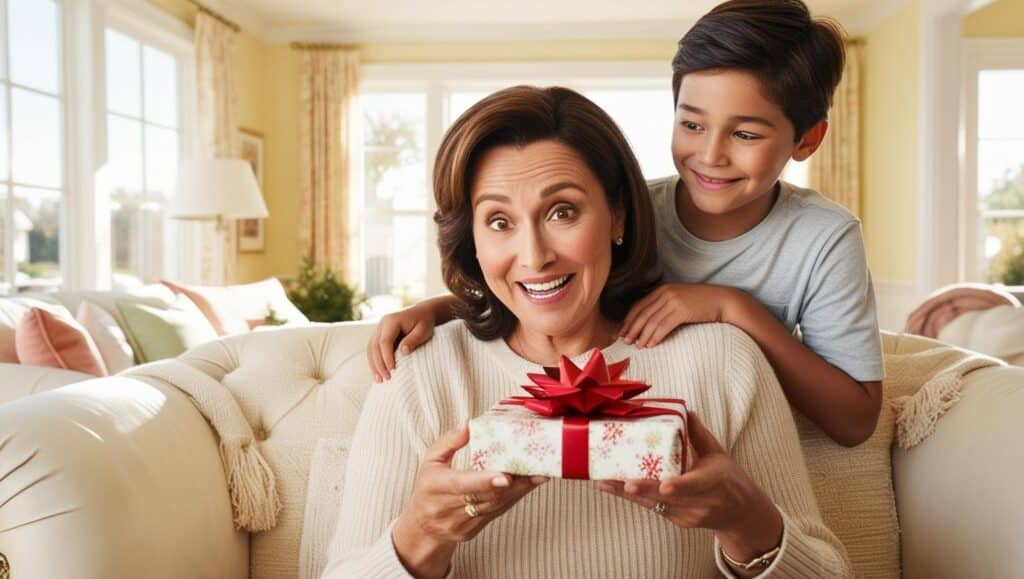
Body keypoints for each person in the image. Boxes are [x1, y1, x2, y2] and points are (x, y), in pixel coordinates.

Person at [323, 85, 851, 578]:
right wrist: (420, 536)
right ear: (473, 241)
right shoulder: (419, 371)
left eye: (562, 211)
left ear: (618, 216)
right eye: (500, 222)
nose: (534, 256)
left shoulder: (722, 361)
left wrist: (748, 521)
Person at [366, 0, 884, 447]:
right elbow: (549, 285)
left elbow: (856, 419)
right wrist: (441, 309)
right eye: (692, 124)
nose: (710, 155)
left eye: (745, 135)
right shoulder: (635, 209)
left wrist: (733, 308)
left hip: (742, 431)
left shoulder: (824, 237)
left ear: (807, 140)